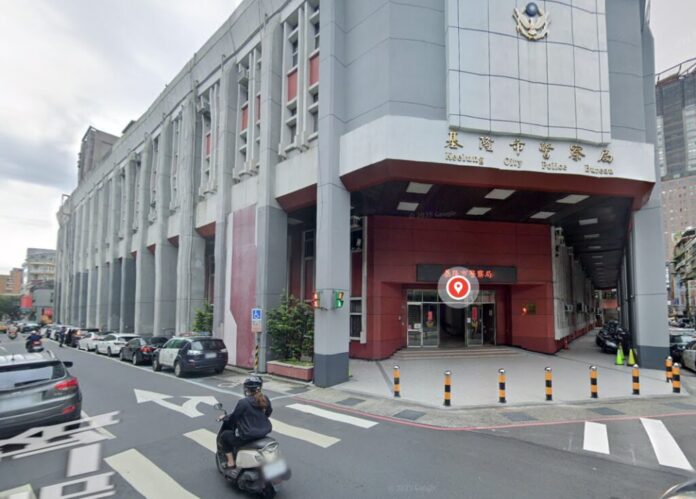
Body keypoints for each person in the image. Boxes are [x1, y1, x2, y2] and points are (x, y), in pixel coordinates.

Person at [217, 376, 272, 477]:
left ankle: (230, 462)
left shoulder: (243, 402)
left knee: (224, 436)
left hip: (248, 437)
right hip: (263, 434)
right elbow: (268, 413)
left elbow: (234, 418)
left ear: (247, 389)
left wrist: (225, 418)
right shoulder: (265, 398)